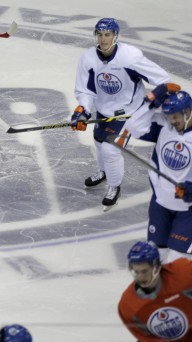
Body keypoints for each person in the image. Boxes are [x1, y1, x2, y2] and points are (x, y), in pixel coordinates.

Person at [70, 17, 169, 209]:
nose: (103, 39)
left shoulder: (129, 57)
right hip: (103, 110)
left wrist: (155, 99)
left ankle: (114, 187)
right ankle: (104, 172)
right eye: (99, 34)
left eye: (107, 35)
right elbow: (85, 90)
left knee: (111, 150)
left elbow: (162, 78)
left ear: (115, 36)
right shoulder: (88, 58)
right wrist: (83, 110)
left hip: (128, 114)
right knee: (99, 142)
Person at [116, 86, 192, 261]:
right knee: (157, 257)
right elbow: (133, 126)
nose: (172, 121)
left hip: (187, 211)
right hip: (160, 204)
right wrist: (152, 101)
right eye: (168, 116)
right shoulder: (165, 128)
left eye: (175, 116)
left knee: (177, 261)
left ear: (188, 111)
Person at [118, 240, 192, 341]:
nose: (140, 277)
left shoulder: (184, 273)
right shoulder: (128, 304)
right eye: (136, 271)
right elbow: (146, 339)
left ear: (156, 267)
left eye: (144, 271)